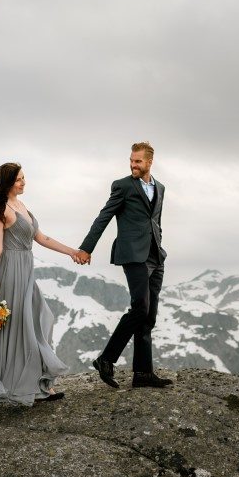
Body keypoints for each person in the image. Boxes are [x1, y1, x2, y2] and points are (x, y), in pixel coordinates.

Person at [0, 162, 83, 412]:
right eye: (19, 179)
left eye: (24, 178)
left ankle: (36, 386)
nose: (24, 183)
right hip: (9, 271)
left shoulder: (22, 206)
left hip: (25, 270)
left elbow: (41, 238)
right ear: (8, 182)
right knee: (8, 330)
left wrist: (72, 252)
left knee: (36, 322)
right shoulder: (0, 208)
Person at [76, 142, 172, 389]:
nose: (133, 165)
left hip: (155, 257)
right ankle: (106, 359)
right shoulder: (122, 186)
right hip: (133, 254)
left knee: (148, 316)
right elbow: (104, 216)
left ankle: (142, 373)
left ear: (150, 162)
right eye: (131, 160)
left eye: (138, 161)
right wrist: (87, 247)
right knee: (139, 307)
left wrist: (158, 247)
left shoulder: (160, 188)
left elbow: (155, 221)